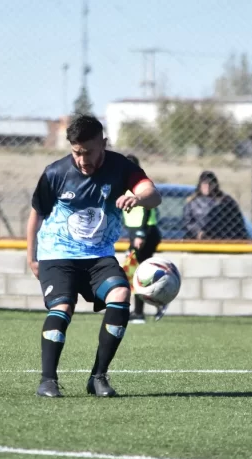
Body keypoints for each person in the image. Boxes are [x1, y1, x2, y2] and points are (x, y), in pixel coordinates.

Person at [27, 115, 162, 398]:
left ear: (103, 143)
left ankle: (98, 377)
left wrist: (137, 198)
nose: (82, 159)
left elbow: (152, 194)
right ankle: (48, 380)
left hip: (98, 256)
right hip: (57, 255)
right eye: (77, 152)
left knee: (121, 295)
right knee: (63, 308)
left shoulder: (121, 167)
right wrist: (32, 257)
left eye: (88, 151)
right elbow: (36, 214)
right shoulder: (55, 172)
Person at [123, 154, 163, 324]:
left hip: (146, 232)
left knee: (139, 273)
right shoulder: (124, 185)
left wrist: (139, 234)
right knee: (133, 271)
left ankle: (139, 312)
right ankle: (151, 306)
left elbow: (146, 209)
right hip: (135, 233)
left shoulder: (141, 186)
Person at [182, 170, 249, 240]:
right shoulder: (192, 202)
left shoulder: (225, 201)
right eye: (204, 183)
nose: (206, 186)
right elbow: (188, 222)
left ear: (214, 184)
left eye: (209, 183)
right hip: (199, 240)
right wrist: (199, 233)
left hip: (222, 238)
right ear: (200, 185)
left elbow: (236, 223)